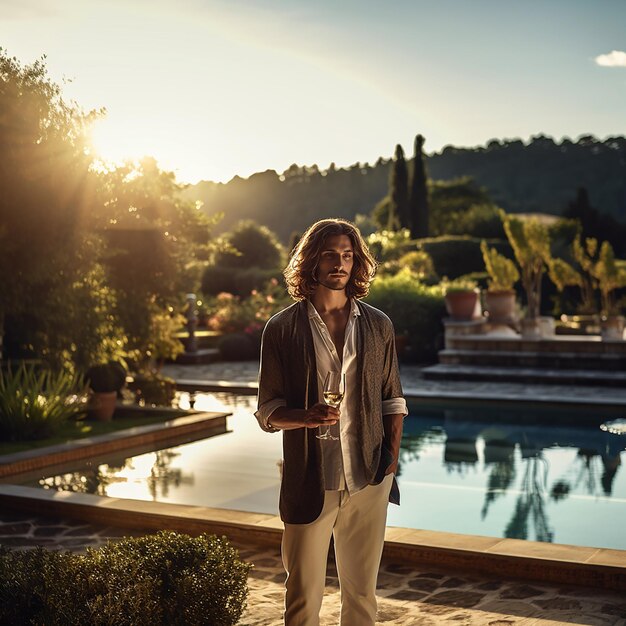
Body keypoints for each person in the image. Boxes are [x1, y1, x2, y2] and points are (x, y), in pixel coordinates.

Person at [255, 218, 407, 625]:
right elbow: (267, 411)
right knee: (302, 599)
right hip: (310, 479)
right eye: (329, 255)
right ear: (312, 262)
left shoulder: (378, 325)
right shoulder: (282, 329)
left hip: (368, 479)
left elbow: (393, 400)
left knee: (361, 598)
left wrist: (389, 463)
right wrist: (305, 417)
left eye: (347, 255)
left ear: (356, 263)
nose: (339, 263)